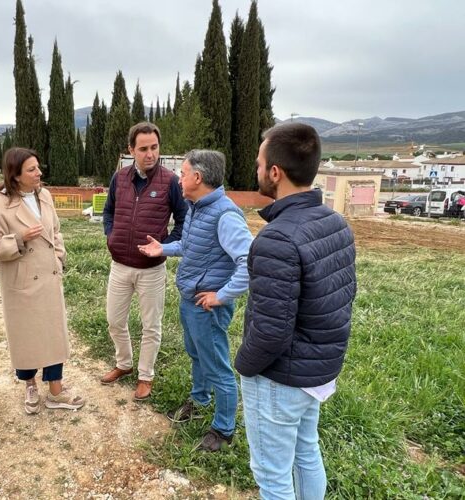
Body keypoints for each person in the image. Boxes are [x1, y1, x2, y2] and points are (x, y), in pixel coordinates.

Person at [235, 123, 357, 499]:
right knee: (306, 452)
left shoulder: (277, 238)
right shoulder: (335, 222)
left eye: (259, 163)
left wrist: (244, 365)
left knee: (272, 477)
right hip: (317, 370)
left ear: (275, 172)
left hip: (280, 378)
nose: (256, 170)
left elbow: (271, 331)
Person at [138, 149, 253, 452]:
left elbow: (248, 261)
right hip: (191, 300)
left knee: (217, 366)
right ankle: (199, 399)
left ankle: (224, 428)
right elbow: (191, 245)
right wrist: (162, 248)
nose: (179, 178)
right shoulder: (196, 207)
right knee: (197, 354)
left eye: (183, 173)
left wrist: (222, 296)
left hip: (207, 306)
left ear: (198, 178)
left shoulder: (225, 215)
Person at [0, 147, 85, 414]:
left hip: (49, 277)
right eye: (31, 169)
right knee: (26, 336)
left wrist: (59, 259)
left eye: (38, 167)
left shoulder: (45, 195)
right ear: (15, 175)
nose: (39, 173)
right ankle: (29, 384)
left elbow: (56, 231)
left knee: (53, 334)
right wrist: (20, 239)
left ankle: (56, 390)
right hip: (22, 280)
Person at [101, 122, 187, 400]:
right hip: (120, 265)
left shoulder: (170, 181)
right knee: (114, 320)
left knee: (151, 325)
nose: (150, 154)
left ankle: (145, 376)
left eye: (154, 147)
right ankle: (123, 364)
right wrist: (110, 236)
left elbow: (184, 221)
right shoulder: (120, 178)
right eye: (143, 149)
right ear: (131, 150)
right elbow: (109, 212)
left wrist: (165, 246)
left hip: (152, 270)